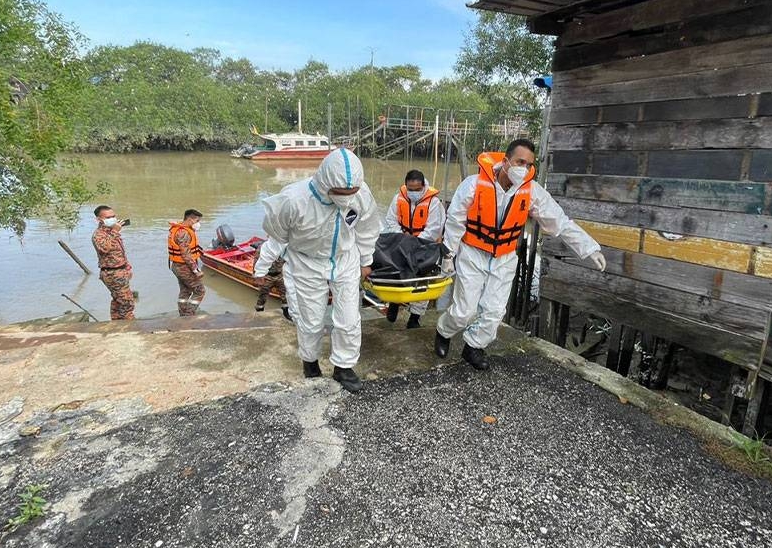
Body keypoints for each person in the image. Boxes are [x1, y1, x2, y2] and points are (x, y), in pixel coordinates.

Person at [435, 139, 607, 371]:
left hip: (505, 257)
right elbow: (455, 220)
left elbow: (559, 221)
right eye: (520, 162)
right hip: (473, 252)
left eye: (529, 165)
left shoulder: (531, 191)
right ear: (506, 161)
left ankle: (473, 346)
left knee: (495, 311)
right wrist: (448, 255)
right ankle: (443, 331)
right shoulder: (473, 185)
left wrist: (589, 248)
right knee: (464, 312)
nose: (524, 169)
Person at [259, 149, 380, 393]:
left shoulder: (361, 194)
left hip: (345, 259)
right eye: (340, 194)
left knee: (348, 318)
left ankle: (343, 366)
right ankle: (310, 362)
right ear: (326, 184)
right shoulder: (294, 200)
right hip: (307, 262)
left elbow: (367, 229)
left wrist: (366, 261)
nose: (347, 199)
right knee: (310, 319)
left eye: (351, 193)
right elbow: (276, 235)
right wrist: (264, 264)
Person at [380, 169, 445, 328]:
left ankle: (415, 316)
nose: (413, 192)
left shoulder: (434, 203)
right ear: (406, 186)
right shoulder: (398, 199)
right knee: (395, 273)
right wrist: (402, 238)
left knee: (422, 280)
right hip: (401, 242)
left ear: (423, 186)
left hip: (424, 245)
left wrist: (415, 242)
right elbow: (391, 220)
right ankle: (394, 303)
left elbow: (434, 228)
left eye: (417, 190)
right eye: (410, 189)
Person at [91, 205, 135, 320]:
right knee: (127, 302)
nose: (113, 219)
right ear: (99, 219)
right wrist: (115, 231)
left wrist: (127, 267)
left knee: (118, 301)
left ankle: (117, 323)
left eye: (114, 216)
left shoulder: (111, 231)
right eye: (109, 217)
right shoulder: (99, 234)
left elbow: (119, 251)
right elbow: (105, 248)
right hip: (112, 273)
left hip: (121, 270)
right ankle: (131, 325)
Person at [168, 209, 205, 316]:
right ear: (190, 219)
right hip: (184, 267)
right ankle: (189, 314)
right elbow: (186, 254)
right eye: (197, 221)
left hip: (177, 266)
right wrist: (196, 270)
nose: (198, 224)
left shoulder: (179, 228)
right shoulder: (183, 233)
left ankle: (183, 313)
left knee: (185, 291)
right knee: (200, 291)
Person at [253, 236, 295, 322]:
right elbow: (257, 261)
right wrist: (257, 275)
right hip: (267, 276)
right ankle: (259, 315)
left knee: (285, 295)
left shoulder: (283, 246)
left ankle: (287, 314)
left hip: (280, 275)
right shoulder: (263, 248)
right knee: (262, 296)